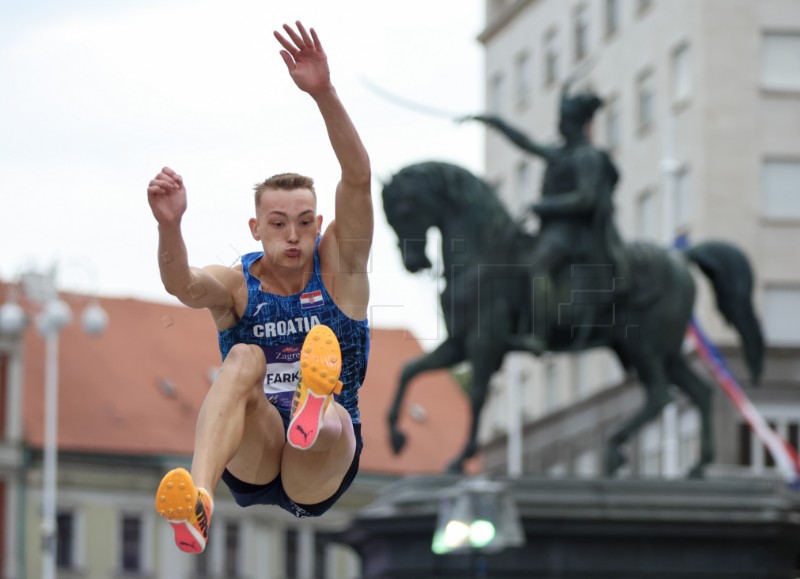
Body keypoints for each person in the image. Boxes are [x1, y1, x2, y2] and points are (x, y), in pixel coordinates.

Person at [146, 20, 372, 554]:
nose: (293, 235)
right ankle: (200, 498)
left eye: (304, 221)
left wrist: (324, 94)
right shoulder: (238, 286)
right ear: (256, 229)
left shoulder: (339, 267)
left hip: (319, 466)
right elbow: (182, 283)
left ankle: (313, 408)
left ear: (319, 224)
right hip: (257, 449)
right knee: (243, 356)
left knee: (332, 412)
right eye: (277, 223)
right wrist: (169, 226)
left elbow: (358, 178)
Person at [462, 87, 628, 353]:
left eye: (565, 121)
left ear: (577, 124)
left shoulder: (587, 157)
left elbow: (587, 199)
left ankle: (539, 333)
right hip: (552, 231)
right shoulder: (560, 153)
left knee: (537, 266)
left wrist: (545, 205)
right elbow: (526, 142)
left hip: (574, 233)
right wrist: (495, 122)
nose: (560, 126)